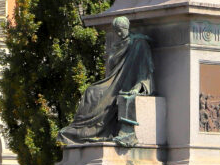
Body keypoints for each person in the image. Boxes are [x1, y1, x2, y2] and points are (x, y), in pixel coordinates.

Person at [58, 17, 153, 147]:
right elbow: (112, 69)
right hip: (114, 80)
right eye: (116, 31)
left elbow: (144, 72)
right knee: (91, 91)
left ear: (127, 28)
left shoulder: (139, 43)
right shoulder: (118, 45)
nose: (119, 34)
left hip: (127, 82)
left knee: (111, 96)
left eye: (120, 31)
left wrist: (137, 88)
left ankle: (95, 129)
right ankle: (82, 128)